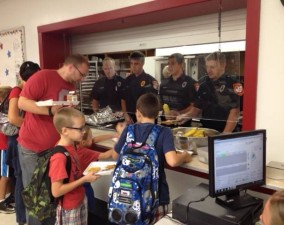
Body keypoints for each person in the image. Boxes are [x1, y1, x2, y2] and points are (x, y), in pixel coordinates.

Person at [17, 54, 89, 225]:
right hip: (32, 149)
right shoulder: (43, 77)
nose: (82, 79)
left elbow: (64, 115)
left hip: (54, 150)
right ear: (71, 67)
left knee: (50, 195)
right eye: (82, 74)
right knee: (36, 198)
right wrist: (50, 111)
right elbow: (22, 102)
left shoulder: (70, 86)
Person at [112, 93, 192, 223]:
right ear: (158, 113)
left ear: (138, 113)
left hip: (128, 195)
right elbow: (172, 161)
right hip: (156, 197)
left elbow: (115, 155)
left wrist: (122, 136)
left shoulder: (128, 130)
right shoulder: (164, 132)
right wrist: (185, 156)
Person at [49, 107, 112, 225]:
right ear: (65, 131)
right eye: (80, 128)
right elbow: (56, 191)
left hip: (80, 199)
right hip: (69, 207)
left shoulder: (73, 146)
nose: (84, 131)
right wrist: (84, 179)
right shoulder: (59, 157)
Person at [7, 61, 40, 225]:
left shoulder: (30, 91)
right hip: (18, 140)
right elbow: (12, 118)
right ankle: (22, 219)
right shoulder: (17, 91)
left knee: (26, 180)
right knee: (22, 180)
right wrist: (32, 127)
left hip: (27, 138)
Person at [176, 51, 243, 133]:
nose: (209, 70)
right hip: (206, 130)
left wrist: (224, 135)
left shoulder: (234, 84)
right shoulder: (203, 83)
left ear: (222, 65)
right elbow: (197, 108)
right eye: (207, 67)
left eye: (212, 67)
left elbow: (234, 113)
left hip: (226, 131)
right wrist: (185, 116)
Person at [0, 86, 15, 214]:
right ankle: (0, 203)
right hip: (3, 148)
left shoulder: (5, 112)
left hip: (7, 148)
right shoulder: (1, 114)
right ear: (2, 98)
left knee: (10, 175)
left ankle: (8, 199)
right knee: (4, 176)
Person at [159, 53, 198, 126]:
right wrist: (165, 112)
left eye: (173, 63)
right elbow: (161, 104)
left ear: (181, 65)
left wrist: (179, 113)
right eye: (168, 64)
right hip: (165, 125)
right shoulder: (163, 83)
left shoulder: (190, 83)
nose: (169, 66)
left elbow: (194, 107)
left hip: (183, 125)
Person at [121, 51, 159, 123]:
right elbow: (123, 99)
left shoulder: (151, 81)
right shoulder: (126, 81)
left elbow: (153, 104)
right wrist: (125, 114)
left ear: (142, 64)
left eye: (136, 64)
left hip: (145, 119)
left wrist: (141, 119)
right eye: (131, 63)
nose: (133, 66)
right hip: (129, 118)